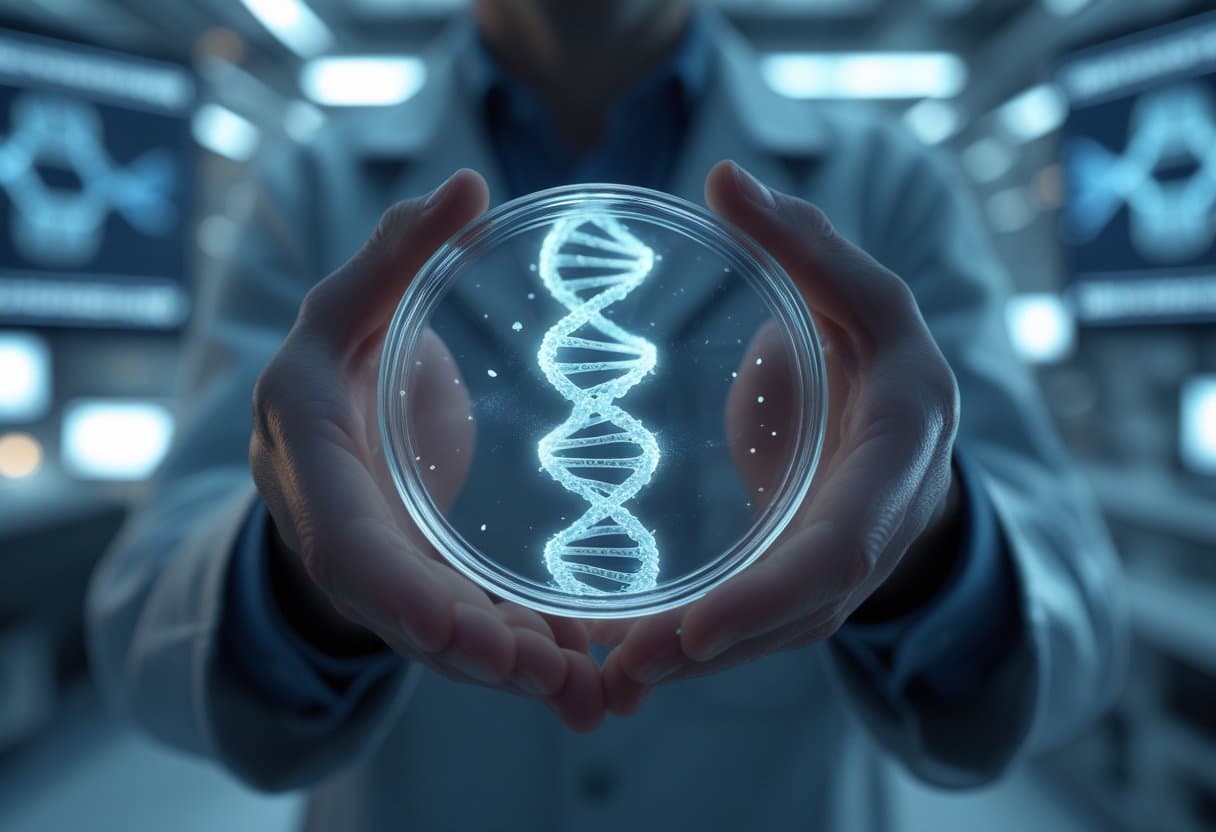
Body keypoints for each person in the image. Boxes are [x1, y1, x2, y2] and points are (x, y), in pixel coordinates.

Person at [86, 2, 1128, 830]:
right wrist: (298, 569)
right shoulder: (311, 187)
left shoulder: (887, 184)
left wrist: (929, 540)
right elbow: (142, 625)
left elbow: (1076, 625)